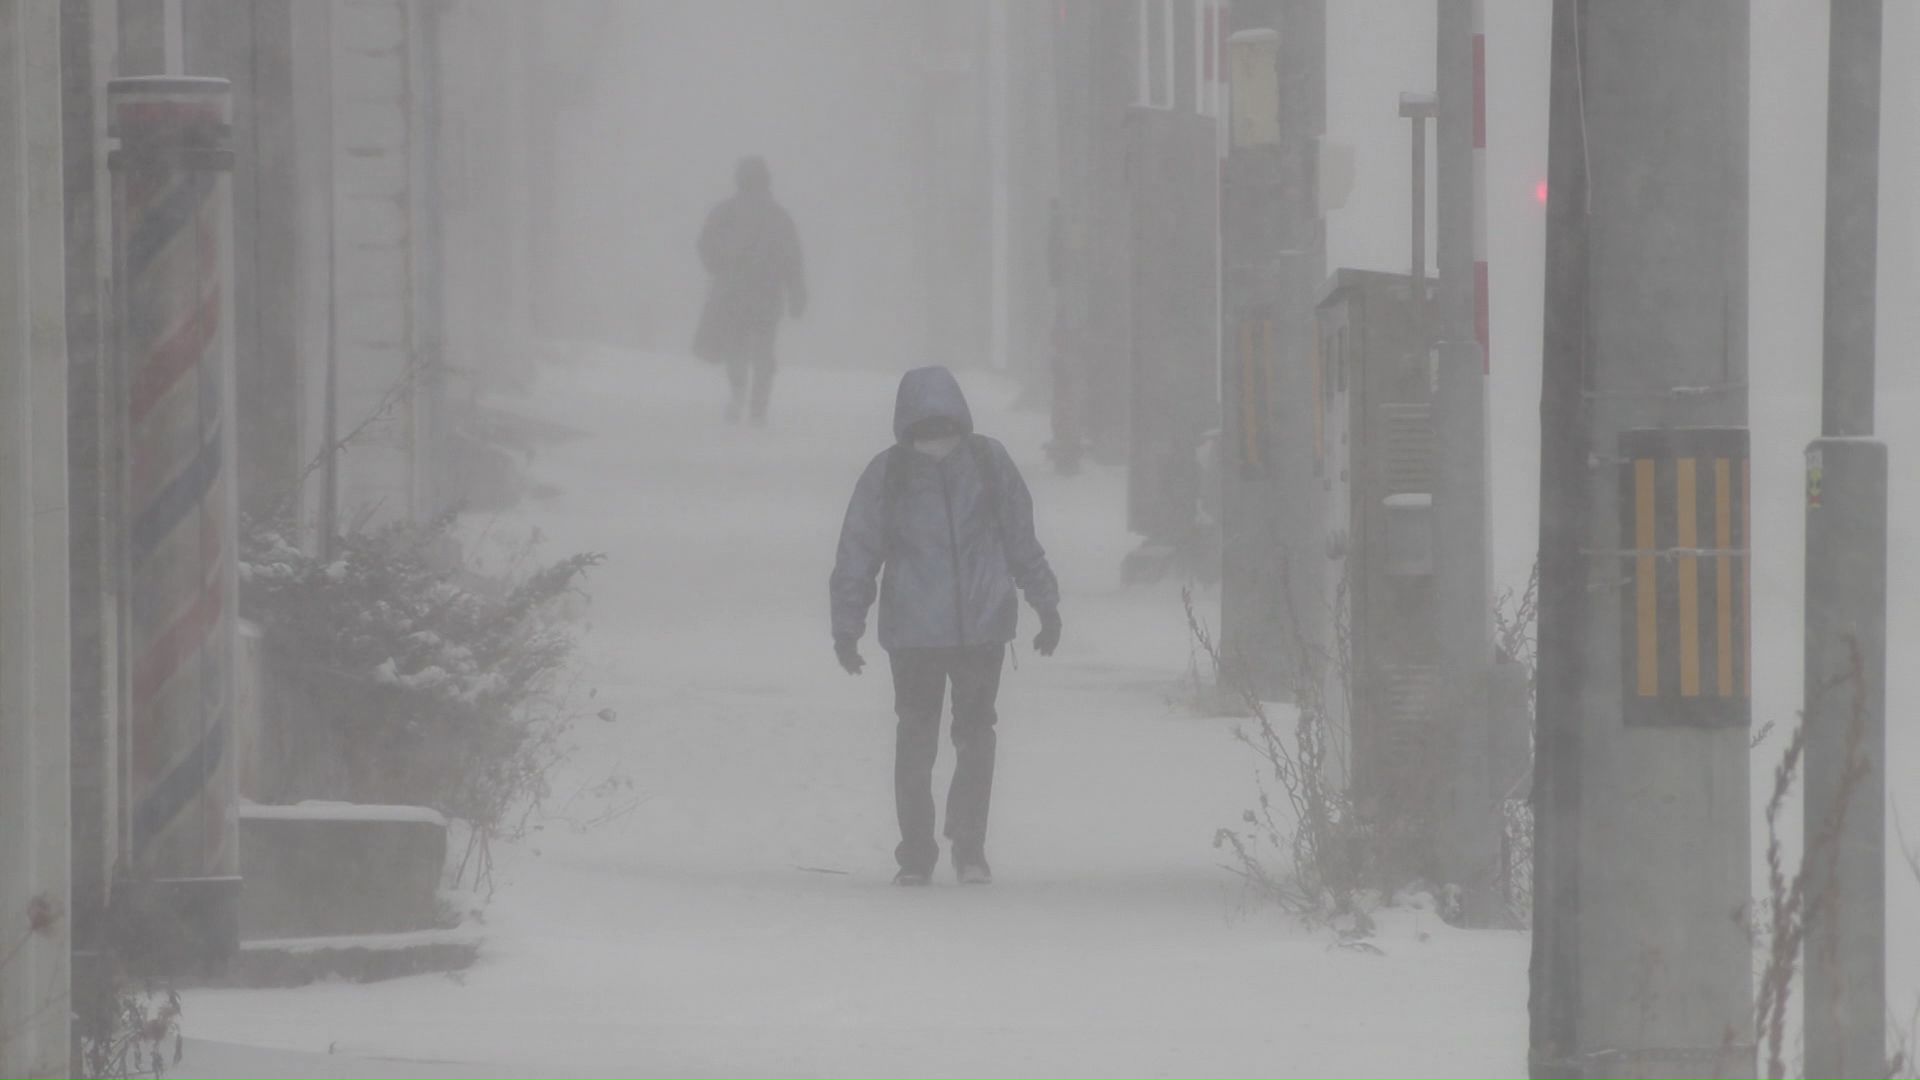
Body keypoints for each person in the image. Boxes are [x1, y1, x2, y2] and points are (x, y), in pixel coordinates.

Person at [829, 366, 1062, 886]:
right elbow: (1021, 540)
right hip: (981, 628)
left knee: (916, 739)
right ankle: (969, 846)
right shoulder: (986, 461)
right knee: (975, 735)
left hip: (915, 635)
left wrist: (847, 626)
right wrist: (1045, 605)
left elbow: (857, 554)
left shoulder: (891, 472)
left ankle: (917, 854)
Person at [693, 155, 807, 425]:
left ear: (739, 180)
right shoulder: (778, 216)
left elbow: (705, 245)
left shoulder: (725, 212)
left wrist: (719, 265)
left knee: (736, 348)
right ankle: (758, 407)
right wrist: (797, 293)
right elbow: (792, 258)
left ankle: (738, 394)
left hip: (733, 294)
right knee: (763, 352)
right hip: (767, 296)